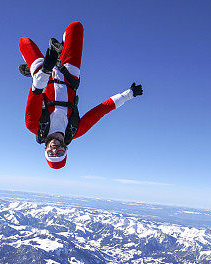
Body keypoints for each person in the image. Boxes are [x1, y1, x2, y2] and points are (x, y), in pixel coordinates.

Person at [19, 21, 143, 169]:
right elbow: (102, 109)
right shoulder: (75, 129)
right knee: (76, 27)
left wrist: (45, 70)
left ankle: (49, 61)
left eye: (51, 154)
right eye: (59, 153)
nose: (54, 149)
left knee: (24, 42)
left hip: (43, 77)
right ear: (65, 150)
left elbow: (36, 93)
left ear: (45, 151)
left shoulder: (34, 126)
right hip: (69, 77)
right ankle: (60, 52)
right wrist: (128, 94)